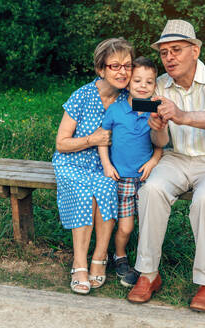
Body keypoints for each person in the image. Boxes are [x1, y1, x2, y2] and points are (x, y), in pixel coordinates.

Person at [125, 19, 205, 313]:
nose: (169, 58)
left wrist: (182, 115)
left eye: (176, 50)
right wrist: (158, 125)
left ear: (195, 50)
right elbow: (160, 140)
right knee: (151, 190)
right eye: (164, 53)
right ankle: (149, 274)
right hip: (177, 158)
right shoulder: (160, 84)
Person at [52, 38, 135, 295]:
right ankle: (79, 263)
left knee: (107, 186)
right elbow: (61, 144)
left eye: (128, 65)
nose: (123, 72)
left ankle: (99, 258)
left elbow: (159, 111)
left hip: (107, 165)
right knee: (82, 192)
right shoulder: (82, 96)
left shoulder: (131, 98)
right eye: (115, 66)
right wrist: (93, 139)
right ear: (101, 69)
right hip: (72, 162)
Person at [97, 56, 162, 281]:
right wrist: (106, 164)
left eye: (149, 82)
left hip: (146, 178)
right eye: (137, 81)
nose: (143, 86)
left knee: (147, 225)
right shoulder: (116, 110)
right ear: (128, 83)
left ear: (155, 85)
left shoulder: (155, 109)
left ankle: (146, 263)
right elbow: (103, 139)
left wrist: (154, 161)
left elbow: (160, 144)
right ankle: (120, 256)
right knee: (125, 227)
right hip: (123, 178)